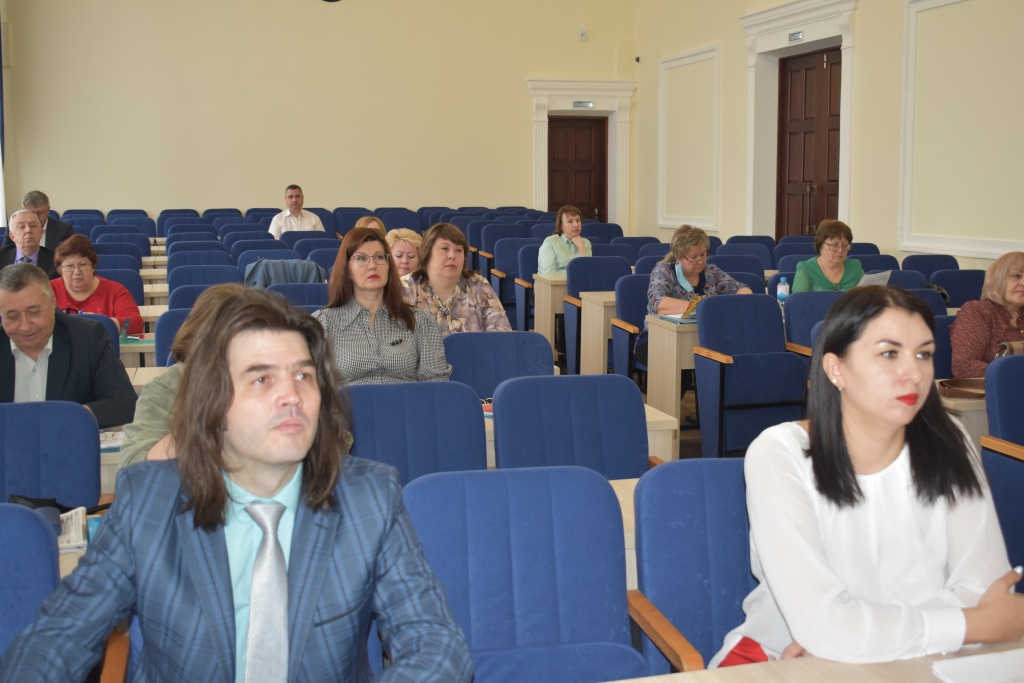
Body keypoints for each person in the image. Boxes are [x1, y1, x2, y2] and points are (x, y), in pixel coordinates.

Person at [0, 286, 473, 682]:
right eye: (261, 379)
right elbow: (57, 638)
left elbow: (438, 646)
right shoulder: (149, 502)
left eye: (304, 375)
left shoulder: (369, 497)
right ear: (212, 402)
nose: (291, 395)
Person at [711, 285, 1024, 667]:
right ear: (836, 369)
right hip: (784, 660)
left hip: (929, 656)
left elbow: (985, 592)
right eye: (889, 354)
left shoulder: (950, 439)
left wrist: (860, 635)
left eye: (924, 354)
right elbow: (825, 626)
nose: (914, 373)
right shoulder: (780, 453)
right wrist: (970, 624)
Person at [0, 263, 137, 427]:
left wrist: (69, 417)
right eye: (12, 316)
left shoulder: (88, 338)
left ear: (52, 301)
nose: (25, 326)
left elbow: (125, 403)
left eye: (34, 312)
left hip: (68, 440)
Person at [313, 227, 450, 385]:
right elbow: (311, 387)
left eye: (379, 257)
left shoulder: (420, 321)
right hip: (349, 401)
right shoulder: (323, 324)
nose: (373, 265)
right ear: (347, 270)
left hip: (406, 401)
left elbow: (436, 385)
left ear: (389, 266)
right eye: (361, 258)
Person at [633, 225, 751, 365]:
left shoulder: (711, 272)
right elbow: (659, 303)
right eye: (694, 257)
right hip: (658, 337)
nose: (700, 261)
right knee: (679, 361)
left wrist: (736, 304)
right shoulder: (663, 272)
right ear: (678, 257)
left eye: (703, 255)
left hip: (703, 336)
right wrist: (704, 308)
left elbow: (742, 289)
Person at [402, 222, 512, 336]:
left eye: (458, 250)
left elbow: (502, 336)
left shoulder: (478, 285)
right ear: (427, 253)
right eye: (445, 248)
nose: (452, 255)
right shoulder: (404, 288)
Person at [950, 251, 1024, 378]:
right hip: (992, 387)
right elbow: (963, 366)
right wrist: (1014, 373)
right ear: (997, 279)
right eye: (1016, 276)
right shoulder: (978, 311)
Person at [49, 234, 142, 334]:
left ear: (93, 266)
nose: (76, 272)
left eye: (82, 264)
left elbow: (135, 323)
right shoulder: (48, 290)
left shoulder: (114, 291)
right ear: (60, 269)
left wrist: (99, 323)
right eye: (69, 266)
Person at [791, 219, 865, 292]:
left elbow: (867, 296)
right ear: (820, 246)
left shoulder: (855, 267)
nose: (840, 250)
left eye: (845, 245)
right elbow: (799, 298)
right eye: (834, 245)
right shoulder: (806, 268)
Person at [1, 190, 75, 251]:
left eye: (40, 213)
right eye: (31, 213)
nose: (35, 217)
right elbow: (6, 255)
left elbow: (67, 257)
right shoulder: (13, 229)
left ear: (48, 210)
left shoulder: (64, 229)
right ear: (24, 210)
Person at [0, 210, 57, 278]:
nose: (28, 230)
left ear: (41, 233)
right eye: (21, 227)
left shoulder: (55, 260)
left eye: (32, 226)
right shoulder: (1, 256)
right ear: (12, 236)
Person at [537, 204, 592, 274]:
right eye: (570, 221)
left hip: (580, 281)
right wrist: (576, 274)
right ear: (561, 225)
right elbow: (549, 274)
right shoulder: (550, 242)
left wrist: (581, 247)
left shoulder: (585, 243)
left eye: (578, 220)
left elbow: (588, 272)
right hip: (555, 281)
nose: (576, 225)